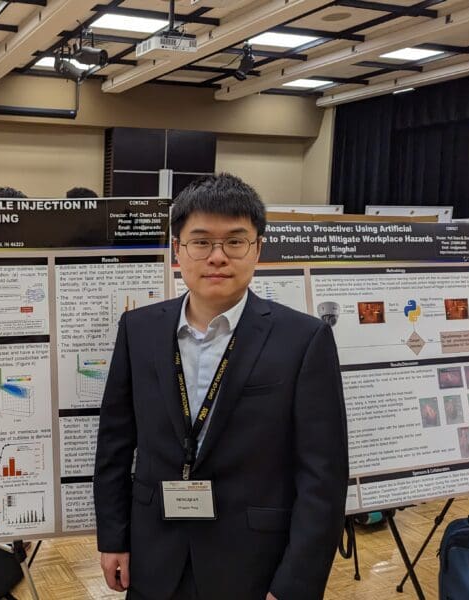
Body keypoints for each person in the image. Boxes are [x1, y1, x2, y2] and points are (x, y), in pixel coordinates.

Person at [93, 173, 348, 600]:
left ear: (258, 248)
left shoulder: (303, 340)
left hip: (252, 565)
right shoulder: (139, 329)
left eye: (234, 241)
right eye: (201, 241)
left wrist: (295, 585)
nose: (217, 257)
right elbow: (115, 442)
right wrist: (112, 536)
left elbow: (323, 476)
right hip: (153, 553)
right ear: (178, 250)